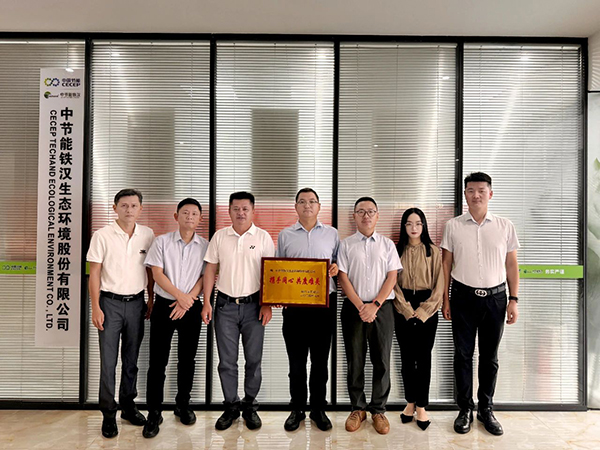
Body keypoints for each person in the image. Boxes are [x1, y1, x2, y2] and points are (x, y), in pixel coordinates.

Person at [441, 172, 520, 436]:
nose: (476, 195)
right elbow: (446, 264)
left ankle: (486, 409)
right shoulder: (453, 226)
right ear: (465, 194)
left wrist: (513, 299)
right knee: (462, 356)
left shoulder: (505, 226)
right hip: (462, 297)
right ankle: (465, 409)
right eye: (471, 190)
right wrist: (445, 299)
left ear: (490, 194)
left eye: (481, 190)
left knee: (489, 357)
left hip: (496, 299)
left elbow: (511, 264)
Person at [201, 191, 275, 431]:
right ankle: (231, 406)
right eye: (236, 209)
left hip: (255, 307)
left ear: (253, 211)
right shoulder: (220, 236)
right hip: (225, 307)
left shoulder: (263, 237)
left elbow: (271, 273)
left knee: (253, 360)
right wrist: (207, 302)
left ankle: (250, 405)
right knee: (227, 361)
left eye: (245, 209)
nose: (241, 213)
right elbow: (210, 270)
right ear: (229, 211)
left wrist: (267, 303)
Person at [87, 188, 155, 438]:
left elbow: (150, 270)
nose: (129, 210)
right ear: (115, 208)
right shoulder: (102, 235)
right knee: (108, 362)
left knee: (131, 359)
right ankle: (108, 413)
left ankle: (128, 405)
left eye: (134, 205)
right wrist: (95, 306)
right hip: (109, 304)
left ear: (140, 209)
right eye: (124, 205)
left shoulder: (147, 234)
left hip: (137, 303)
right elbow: (94, 273)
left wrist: (151, 297)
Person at [142, 198, 209, 438]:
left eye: (194, 214)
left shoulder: (205, 246)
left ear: (200, 219)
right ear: (176, 216)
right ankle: (154, 412)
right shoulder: (161, 242)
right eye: (185, 213)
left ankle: (183, 405)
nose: (189, 217)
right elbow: (157, 274)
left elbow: (205, 277)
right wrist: (180, 297)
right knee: (157, 362)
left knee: (187, 360)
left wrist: (188, 300)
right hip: (164, 305)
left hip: (191, 307)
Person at [337, 197, 402, 435]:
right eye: (361, 212)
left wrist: (374, 305)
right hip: (353, 308)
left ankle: (378, 410)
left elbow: (392, 277)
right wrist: (360, 306)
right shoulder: (345, 245)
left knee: (381, 360)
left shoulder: (387, 245)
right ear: (354, 216)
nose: (366, 216)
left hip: (382, 308)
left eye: (371, 211)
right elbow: (342, 277)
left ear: (377, 216)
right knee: (355, 359)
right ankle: (358, 408)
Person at [277, 188, 340, 432]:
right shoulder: (285, 235)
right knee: (296, 362)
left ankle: (318, 409)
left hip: (323, 307)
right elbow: (278, 268)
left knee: (320, 362)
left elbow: (339, 265)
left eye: (312, 201)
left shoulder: (332, 234)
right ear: (296, 206)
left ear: (319, 206)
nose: (307, 205)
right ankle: (297, 409)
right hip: (295, 308)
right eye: (302, 201)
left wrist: (335, 269)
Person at [393, 208, 444, 431]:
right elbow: (392, 282)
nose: (414, 228)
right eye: (409, 223)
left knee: (423, 358)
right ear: (403, 227)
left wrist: (425, 310)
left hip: (427, 307)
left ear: (424, 226)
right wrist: (405, 309)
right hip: (402, 305)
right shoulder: (396, 250)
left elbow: (440, 285)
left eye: (418, 223)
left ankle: (422, 405)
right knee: (406, 357)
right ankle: (410, 402)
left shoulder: (433, 251)